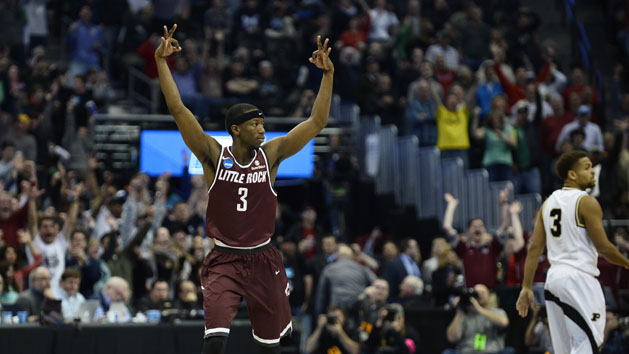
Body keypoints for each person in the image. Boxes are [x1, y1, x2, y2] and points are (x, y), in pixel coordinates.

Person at [154, 24, 334, 354]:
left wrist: (327, 76)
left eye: (263, 124)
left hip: (263, 257)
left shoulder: (272, 155)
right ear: (236, 130)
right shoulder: (212, 155)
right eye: (255, 125)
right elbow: (179, 110)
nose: (262, 130)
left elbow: (316, 123)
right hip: (224, 258)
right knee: (216, 342)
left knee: (272, 347)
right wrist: (162, 63)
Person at [516, 151, 629, 353]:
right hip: (579, 280)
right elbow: (604, 247)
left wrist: (526, 287)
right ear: (572, 175)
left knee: (566, 350)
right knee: (588, 345)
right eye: (586, 167)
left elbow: (534, 247)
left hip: (554, 280)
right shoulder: (586, 202)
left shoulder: (547, 203)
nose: (593, 171)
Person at [445, 284, 512, 354]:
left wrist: (478, 308)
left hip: (491, 352)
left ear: (489, 296)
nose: (479, 295)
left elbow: (504, 322)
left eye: (483, 292)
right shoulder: (464, 314)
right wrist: (459, 310)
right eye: (476, 293)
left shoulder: (497, 312)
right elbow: (452, 338)